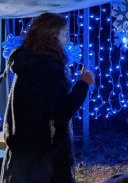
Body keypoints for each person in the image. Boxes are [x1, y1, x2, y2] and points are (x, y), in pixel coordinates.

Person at [0, 12, 95, 183]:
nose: (67, 39)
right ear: (53, 36)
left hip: (22, 156)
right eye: (64, 34)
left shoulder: (28, 62)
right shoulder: (47, 67)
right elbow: (60, 112)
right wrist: (83, 84)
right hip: (43, 161)